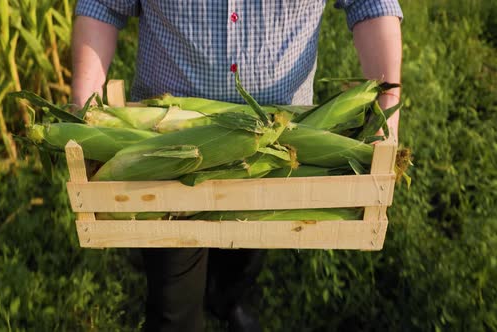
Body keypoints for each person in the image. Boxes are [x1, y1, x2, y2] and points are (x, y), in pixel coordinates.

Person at [71, 1, 403, 331]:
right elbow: (102, 6)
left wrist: (386, 116)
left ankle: (227, 300)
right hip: (167, 151)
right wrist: (87, 112)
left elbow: (371, 5)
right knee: (173, 305)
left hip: (279, 150)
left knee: (246, 251)